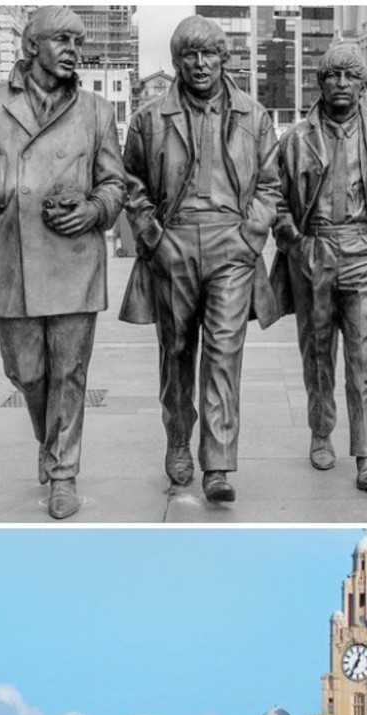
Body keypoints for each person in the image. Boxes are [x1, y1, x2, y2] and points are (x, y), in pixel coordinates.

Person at [0, 6, 126, 520]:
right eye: (62, 39)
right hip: (12, 259)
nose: (73, 49)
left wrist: (93, 209)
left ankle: (63, 474)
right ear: (31, 46)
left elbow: (116, 183)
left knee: (70, 372)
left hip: (75, 256)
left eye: (78, 40)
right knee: (26, 370)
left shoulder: (95, 111)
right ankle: (51, 443)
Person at [119, 14, 280, 504]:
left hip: (232, 247)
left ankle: (218, 463)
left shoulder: (255, 116)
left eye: (209, 53)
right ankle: (177, 441)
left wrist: (250, 235)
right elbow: (131, 184)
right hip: (174, 244)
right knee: (176, 354)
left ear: (223, 58)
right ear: (177, 62)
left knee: (224, 357)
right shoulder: (150, 118)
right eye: (189, 55)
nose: (200, 63)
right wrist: (154, 237)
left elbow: (272, 186)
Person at [269, 43, 367, 493]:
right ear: (320, 84)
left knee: (363, 360)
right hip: (316, 252)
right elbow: (274, 200)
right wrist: (296, 243)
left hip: (365, 254)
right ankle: (321, 432)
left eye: (350, 77)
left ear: (364, 86)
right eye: (333, 76)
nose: (342, 84)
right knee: (318, 355)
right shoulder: (294, 140)